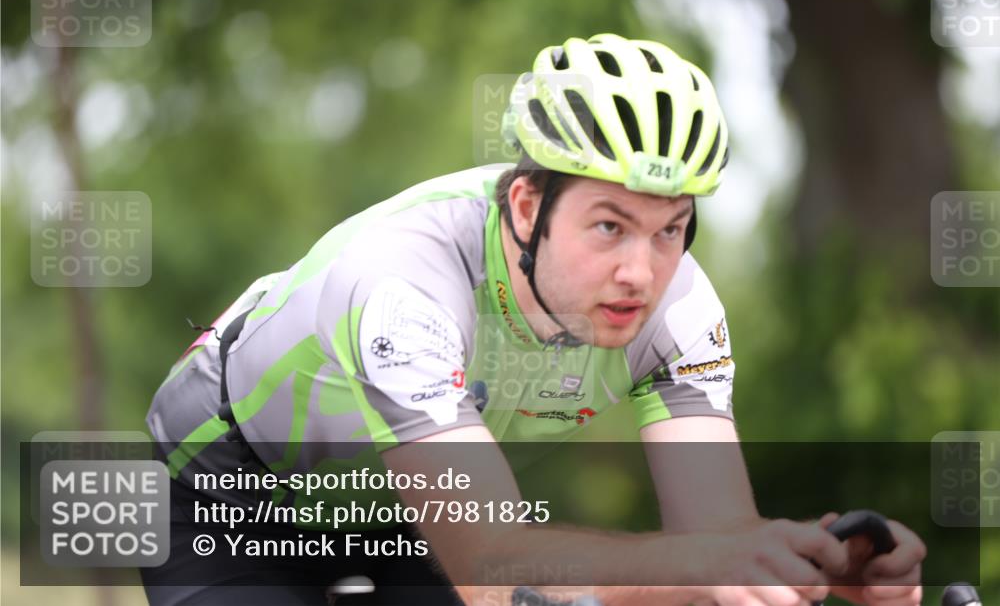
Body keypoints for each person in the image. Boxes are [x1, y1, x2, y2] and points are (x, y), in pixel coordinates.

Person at [141, 33, 925, 606]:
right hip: (230, 502)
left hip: (398, 510)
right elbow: (495, 567)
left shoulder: (682, 308)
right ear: (527, 206)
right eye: (609, 226)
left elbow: (715, 541)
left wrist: (806, 565)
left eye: (671, 229)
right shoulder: (405, 283)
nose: (641, 271)